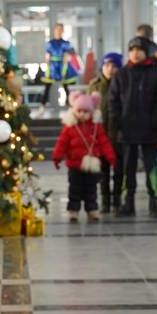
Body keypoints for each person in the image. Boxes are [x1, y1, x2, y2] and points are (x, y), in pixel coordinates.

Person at [110, 36, 157, 218]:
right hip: (127, 129)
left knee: (151, 166)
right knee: (128, 167)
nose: (135, 53)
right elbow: (113, 102)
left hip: (149, 130)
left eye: (139, 49)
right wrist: (117, 123)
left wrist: (154, 121)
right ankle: (129, 201)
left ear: (146, 52)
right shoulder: (121, 74)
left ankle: (154, 201)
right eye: (132, 50)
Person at [52, 92, 116, 221]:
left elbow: (104, 143)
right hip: (75, 165)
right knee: (74, 189)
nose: (82, 114)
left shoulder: (96, 127)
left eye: (86, 111)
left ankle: (92, 210)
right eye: (79, 111)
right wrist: (57, 157)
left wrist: (111, 157)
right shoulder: (70, 127)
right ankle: (73, 211)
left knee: (91, 189)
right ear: (74, 111)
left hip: (92, 164)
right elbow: (62, 143)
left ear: (91, 112)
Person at [86, 51, 122, 212]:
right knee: (103, 171)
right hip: (100, 135)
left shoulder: (124, 83)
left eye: (114, 66)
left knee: (119, 170)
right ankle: (105, 201)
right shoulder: (94, 85)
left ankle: (117, 200)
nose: (110, 69)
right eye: (107, 65)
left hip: (119, 134)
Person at [41, 23, 75, 117]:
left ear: (62, 31)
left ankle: (71, 109)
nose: (59, 31)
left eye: (61, 29)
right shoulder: (50, 43)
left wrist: (66, 59)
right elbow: (47, 56)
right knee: (47, 88)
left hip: (62, 66)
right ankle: (42, 108)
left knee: (66, 88)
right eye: (57, 29)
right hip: (53, 66)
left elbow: (69, 54)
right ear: (54, 30)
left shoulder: (66, 43)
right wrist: (47, 67)